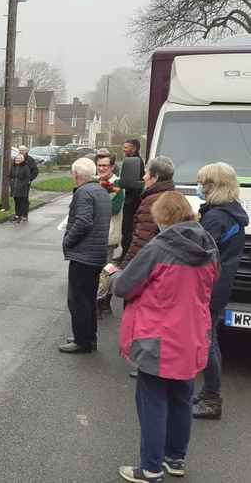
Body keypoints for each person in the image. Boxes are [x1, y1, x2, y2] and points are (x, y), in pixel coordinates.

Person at [109, 192, 219, 483]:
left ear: (163, 217)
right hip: (193, 333)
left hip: (156, 336)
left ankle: (150, 468)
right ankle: (175, 458)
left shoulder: (159, 247)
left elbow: (125, 287)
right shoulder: (208, 245)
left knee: (152, 401)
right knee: (182, 398)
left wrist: (114, 275)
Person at [193, 163, 249, 420]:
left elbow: (198, 253)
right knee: (209, 338)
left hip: (210, 287)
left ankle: (212, 398)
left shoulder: (217, 218)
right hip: (220, 284)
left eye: (202, 183)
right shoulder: (232, 212)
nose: (199, 187)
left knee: (208, 341)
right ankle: (206, 392)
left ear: (214, 186)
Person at [59, 158, 111, 354]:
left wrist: (67, 241)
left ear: (76, 175)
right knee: (89, 298)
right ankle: (88, 336)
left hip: (84, 255)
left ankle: (82, 341)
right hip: (96, 253)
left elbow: (83, 222)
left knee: (78, 299)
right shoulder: (100, 190)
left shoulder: (84, 192)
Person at [119, 156, 175, 269]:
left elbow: (141, 240)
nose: (143, 177)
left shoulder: (152, 202)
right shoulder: (175, 197)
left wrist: (124, 268)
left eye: (146, 173)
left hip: (148, 264)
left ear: (155, 177)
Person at [95, 152, 125, 316]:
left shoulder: (117, 184)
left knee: (106, 269)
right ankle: (102, 299)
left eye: (105, 165)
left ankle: (102, 301)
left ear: (112, 167)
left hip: (109, 233)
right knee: (97, 269)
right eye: (99, 165)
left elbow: (114, 208)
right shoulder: (94, 181)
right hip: (93, 234)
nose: (101, 168)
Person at [120, 139, 145, 259]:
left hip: (132, 203)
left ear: (134, 149)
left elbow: (128, 182)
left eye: (126, 147)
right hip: (132, 200)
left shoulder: (133, 162)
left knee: (128, 230)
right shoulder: (134, 161)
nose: (123, 150)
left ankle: (126, 256)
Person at [10, 153, 32, 223]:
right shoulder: (13, 166)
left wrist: (22, 185)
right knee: (16, 202)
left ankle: (21, 216)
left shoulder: (25, 167)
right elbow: (10, 176)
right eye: (16, 158)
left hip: (22, 188)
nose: (17, 160)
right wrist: (11, 183)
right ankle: (17, 215)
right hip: (14, 188)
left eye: (19, 159)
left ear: (22, 160)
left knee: (21, 202)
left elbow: (27, 178)